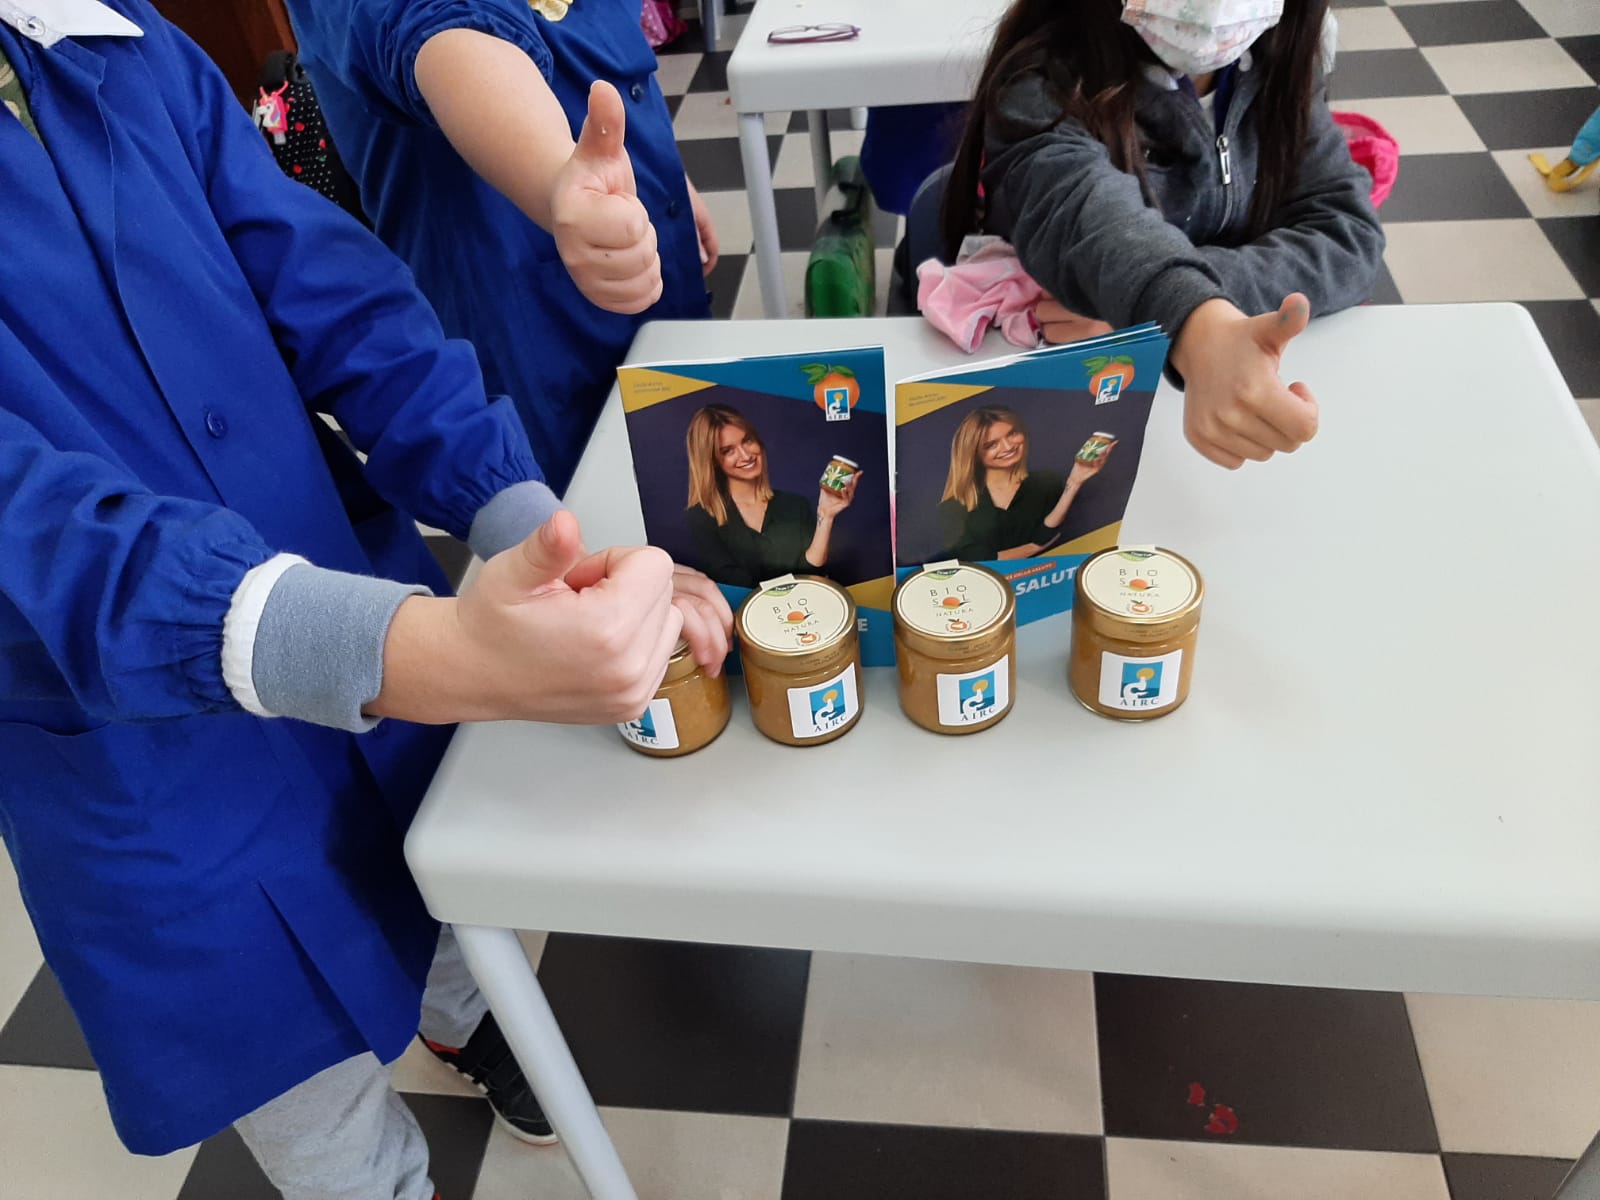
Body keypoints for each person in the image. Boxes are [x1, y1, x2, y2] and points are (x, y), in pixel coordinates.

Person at [0, 4, 731, 1198]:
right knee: (299, 1067)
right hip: (123, 733)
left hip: (342, 582)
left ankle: (464, 1018)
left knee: (423, 866)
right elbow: (32, 528)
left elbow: (335, 293)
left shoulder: (119, 40)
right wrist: (421, 649)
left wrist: (514, 515)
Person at [281, 0, 720, 495]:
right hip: (526, 324)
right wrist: (560, 183)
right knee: (585, 514)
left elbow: (603, 53)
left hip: (643, 257)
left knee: (692, 479)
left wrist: (666, 178)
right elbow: (442, 28)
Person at [942, 0, 1385, 470]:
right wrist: (1182, 316)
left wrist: (1151, 313)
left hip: (1201, 394)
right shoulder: (1044, 82)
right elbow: (1090, 215)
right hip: (1075, 397)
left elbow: (1347, 234)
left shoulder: (1281, 60)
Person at [684, 404, 862, 588]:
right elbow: (734, 584)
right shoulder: (703, 516)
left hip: (804, 603)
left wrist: (826, 515)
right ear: (712, 461)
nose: (745, 455)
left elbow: (812, 573)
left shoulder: (795, 505)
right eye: (728, 450)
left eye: (747, 441)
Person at [938, 407, 1110, 560]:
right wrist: (1034, 547)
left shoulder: (1048, 483)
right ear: (973, 454)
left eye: (1012, 434)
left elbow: (1054, 532)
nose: (1008, 447)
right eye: (991, 445)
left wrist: (1075, 481)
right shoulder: (954, 506)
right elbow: (974, 558)